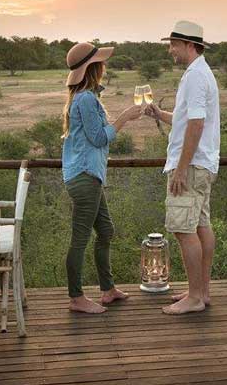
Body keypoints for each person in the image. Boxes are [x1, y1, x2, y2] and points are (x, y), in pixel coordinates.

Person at [145, 20, 221, 315]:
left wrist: (180, 168)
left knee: (182, 229)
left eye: (174, 45)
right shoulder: (201, 72)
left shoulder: (195, 76)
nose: (170, 50)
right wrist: (159, 113)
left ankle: (195, 298)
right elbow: (186, 118)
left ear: (190, 45)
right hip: (202, 164)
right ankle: (201, 291)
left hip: (190, 166)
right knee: (200, 226)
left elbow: (196, 124)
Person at [61, 41, 143, 314]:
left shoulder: (85, 96)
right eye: (101, 62)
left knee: (105, 230)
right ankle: (76, 298)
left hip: (90, 176)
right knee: (80, 238)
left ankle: (108, 290)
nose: (105, 65)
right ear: (92, 67)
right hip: (85, 176)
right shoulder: (85, 98)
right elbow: (98, 138)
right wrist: (123, 118)